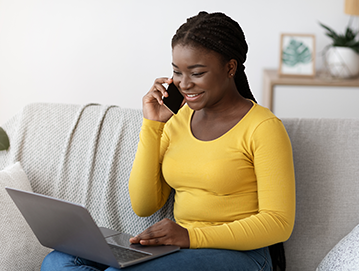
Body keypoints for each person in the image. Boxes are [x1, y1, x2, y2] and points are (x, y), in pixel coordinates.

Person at [41, 11, 295, 271]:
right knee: (58, 260)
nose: (185, 85)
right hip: (178, 248)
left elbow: (278, 223)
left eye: (197, 73)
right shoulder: (176, 120)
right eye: (177, 72)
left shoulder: (263, 128)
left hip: (241, 255)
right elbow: (143, 205)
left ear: (230, 68)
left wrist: (190, 236)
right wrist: (153, 124)